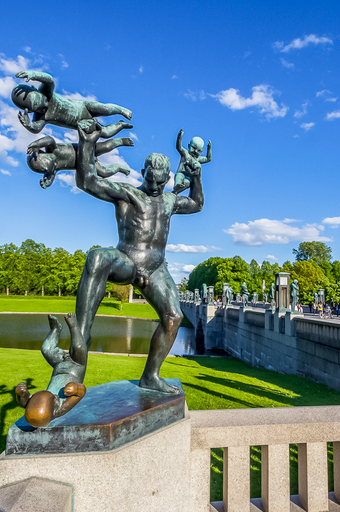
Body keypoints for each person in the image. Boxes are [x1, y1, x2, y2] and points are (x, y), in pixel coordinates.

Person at [18, 118, 204, 427]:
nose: (156, 186)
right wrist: (88, 143)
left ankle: (150, 377)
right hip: (127, 261)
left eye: (161, 181)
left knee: (174, 318)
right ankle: (82, 338)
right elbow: (87, 181)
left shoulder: (170, 200)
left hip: (156, 267)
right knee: (98, 257)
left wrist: (196, 176)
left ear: (167, 178)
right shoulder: (128, 194)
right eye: (151, 179)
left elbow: (197, 203)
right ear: (143, 173)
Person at [12, 70, 132, 134]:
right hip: (81, 123)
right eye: (39, 108)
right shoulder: (41, 117)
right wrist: (29, 125)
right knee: (104, 133)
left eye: (41, 100)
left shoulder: (46, 91)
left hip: (84, 107)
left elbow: (49, 80)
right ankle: (121, 124)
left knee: (105, 109)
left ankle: (121, 110)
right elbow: (36, 128)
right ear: (32, 110)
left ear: (35, 88)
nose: (45, 104)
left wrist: (34, 74)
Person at [26, 131, 133, 189]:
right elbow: (50, 176)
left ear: (44, 154)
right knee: (104, 172)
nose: (54, 164)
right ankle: (118, 167)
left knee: (106, 147)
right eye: (50, 167)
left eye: (51, 162)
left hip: (85, 149)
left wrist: (36, 144)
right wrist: (47, 183)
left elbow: (49, 139)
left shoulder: (52, 149)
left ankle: (121, 141)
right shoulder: (53, 168)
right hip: (86, 163)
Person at [173, 129, 211, 194]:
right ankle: (177, 185)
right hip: (181, 173)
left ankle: (176, 192)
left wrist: (209, 149)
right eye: (193, 148)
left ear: (201, 151)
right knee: (179, 177)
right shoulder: (185, 153)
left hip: (188, 177)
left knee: (188, 183)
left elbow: (208, 159)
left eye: (198, 151)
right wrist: (180, 137)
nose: (195, 151)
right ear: (188, 146)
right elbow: (178, 147)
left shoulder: (198, 159)